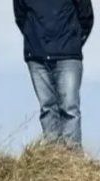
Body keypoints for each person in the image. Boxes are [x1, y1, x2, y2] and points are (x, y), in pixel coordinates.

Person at [14, 0, 94, 148]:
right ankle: (52, 159)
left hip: (68, 56)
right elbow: (20, 17)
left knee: (69, 109)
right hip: (37, 58)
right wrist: (34, 40)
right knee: (47, 108)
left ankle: (72, 162)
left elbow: (86, 16)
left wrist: (72, 42)